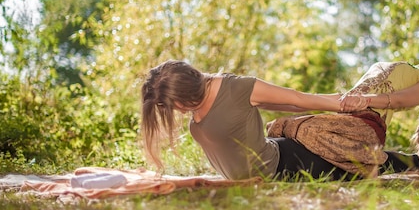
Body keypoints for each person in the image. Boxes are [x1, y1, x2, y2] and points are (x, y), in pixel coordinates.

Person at [140, 60, 370, 181]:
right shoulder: (194, 106)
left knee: (365, 164)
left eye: (175, 104)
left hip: (286, 165)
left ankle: (407, 161)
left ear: (187, 90)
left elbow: (296, 99)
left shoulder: (236, 88)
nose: (176, 110)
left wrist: (342, 104)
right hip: (266, 165)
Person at [268, 60, 419, 179]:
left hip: (363, 126)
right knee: (282, 125)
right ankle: (415, 162)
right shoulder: (408, 71)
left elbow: (398, 100)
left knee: (303, 129)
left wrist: (363, 100)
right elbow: (337, 99)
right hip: (347, 119)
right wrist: (273, 101)